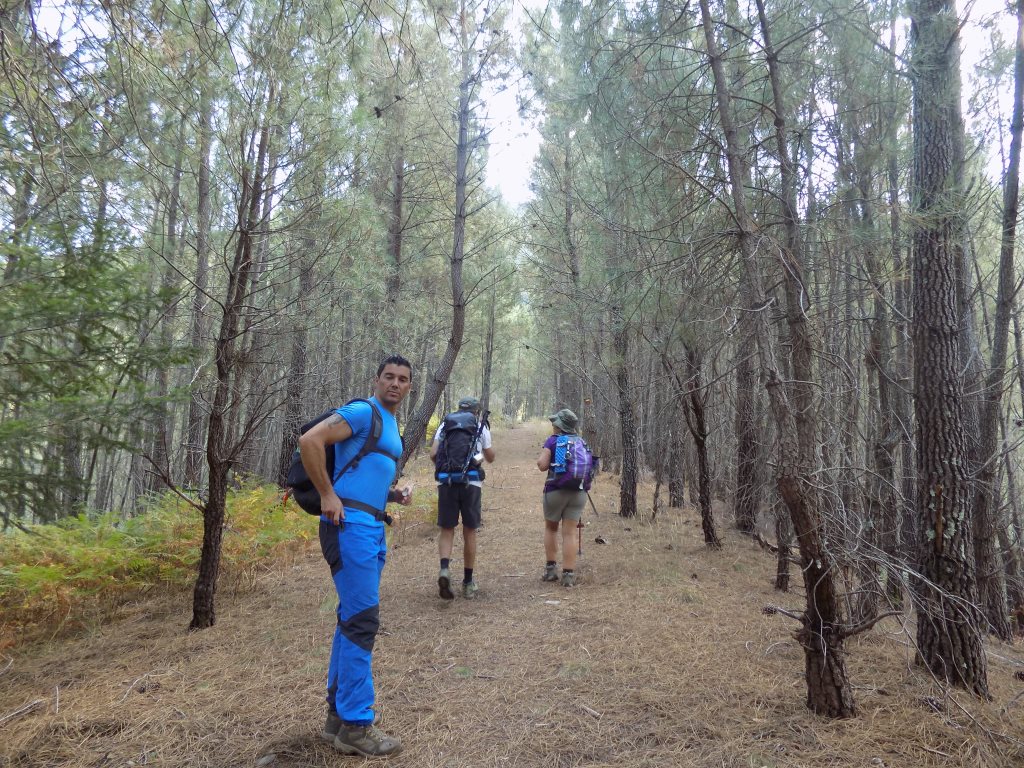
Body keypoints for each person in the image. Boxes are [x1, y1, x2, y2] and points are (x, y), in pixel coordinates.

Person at [298, 355, 414, 757]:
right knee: (362, 621)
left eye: (402, 379)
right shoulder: (363, 411)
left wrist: (392, 495)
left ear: (409, 386)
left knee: (352, 619)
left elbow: (360, 474)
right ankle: (357, 725)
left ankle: (338, 717)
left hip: (370, 526)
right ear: (376, 379)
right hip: (349, 528)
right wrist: (327, 495)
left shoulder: (390, 422)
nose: (395, 383)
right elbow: (310, 440)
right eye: (389, 377)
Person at [430, 396, 495, 599]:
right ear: (476, 411)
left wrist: (447, 468)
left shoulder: (446, 424)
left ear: (458, 409)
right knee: (469, 532)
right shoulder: (479, 426)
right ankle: (467, 582)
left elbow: (433, 454)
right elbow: (490, 457)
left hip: (447, 482)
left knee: (447, 529)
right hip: (472, 483)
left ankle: (444, 569)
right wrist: (479, 456)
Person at [536, 408, 586, 588]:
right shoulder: (581, 441)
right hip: (578, 493)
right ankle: (568, 576)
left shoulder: (552, 441)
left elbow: (542, 465)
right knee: (570, 533)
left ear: (560, 426)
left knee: (551, 529)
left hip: (555, 491)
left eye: (555, 423)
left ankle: (551, 571)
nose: (553, 425)